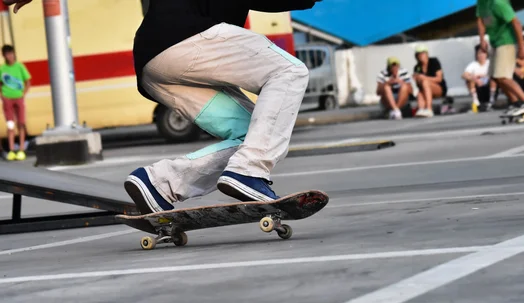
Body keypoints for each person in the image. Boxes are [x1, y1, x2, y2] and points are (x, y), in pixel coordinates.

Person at [7, 0, 320, 213]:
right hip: (188, 40)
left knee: (254, 134)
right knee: (289, 70)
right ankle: (250, 172)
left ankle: (159, 183)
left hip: (155, 64)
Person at [476, 0, 524, 116]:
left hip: (507, 42)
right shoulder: (481, 2)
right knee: (495, 77)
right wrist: (482, 39)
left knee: (503, 76)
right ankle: (516, 104)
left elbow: (516, 23)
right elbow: (480, 19)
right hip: (495, 43)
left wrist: (521, 46)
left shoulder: (499, 3)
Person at [0, 44, 30, 161]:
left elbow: (27, 80)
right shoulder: (2, 69)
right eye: (7, 54)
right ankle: (12, 150)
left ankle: (21, 149)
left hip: (19, 98)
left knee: (21, 123)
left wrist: (24, 93)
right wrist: (2, 95)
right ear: (4, 56)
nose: (10, 56)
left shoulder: (20, 67)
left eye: (11, 54)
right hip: (7, 100)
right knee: (10, 125)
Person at [412, 45, 447, 118]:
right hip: (425, 88)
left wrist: (424, 78)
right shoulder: (417, 67)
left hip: (438, 87)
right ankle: (421, 109)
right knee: (419, 92)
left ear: (427, 54)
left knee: (425, 82)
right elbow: (419, 85)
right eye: (419, 54)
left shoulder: (434, 61)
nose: (421, 56)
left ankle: (429, 108)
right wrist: (417, 79)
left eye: (422, 53)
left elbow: (439, 79)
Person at [462, 44, 497, 111]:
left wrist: (484, 76)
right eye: (479, 53)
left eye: (483, 53)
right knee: (470, 80)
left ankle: (491, 100)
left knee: (494, 79)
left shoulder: (490, 63)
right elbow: (464, 75)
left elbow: (495, 73)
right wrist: (475, 79)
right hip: (477, 86)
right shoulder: (473, 64)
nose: (481, 55)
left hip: (488, 85)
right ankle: (476, 101)